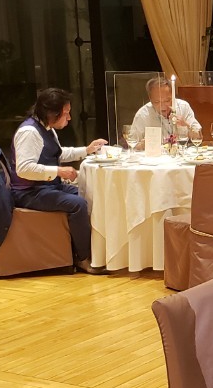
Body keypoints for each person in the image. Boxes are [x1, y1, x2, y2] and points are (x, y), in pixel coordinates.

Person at [11, 87, 108, 274]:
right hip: (29, 192)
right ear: (52, 113)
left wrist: (87, 150)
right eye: (66, 113)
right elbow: (24, 169)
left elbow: (58, 153)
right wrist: (58, 171)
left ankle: (95, 249)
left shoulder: (46, 128)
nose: (69, 118)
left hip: (46, 187)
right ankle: (82, 258)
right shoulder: (29, 132)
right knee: (78, 204)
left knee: (89, 192)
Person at [129, 76, 200, 144]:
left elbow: (198, 137)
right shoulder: (143, 115)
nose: (163, 106)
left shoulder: (183, 107)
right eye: (157, 102)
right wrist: (143, 145)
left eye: (167, 100)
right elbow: (132, 144)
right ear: (150, 100)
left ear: (173, 96)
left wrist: (185, 126)